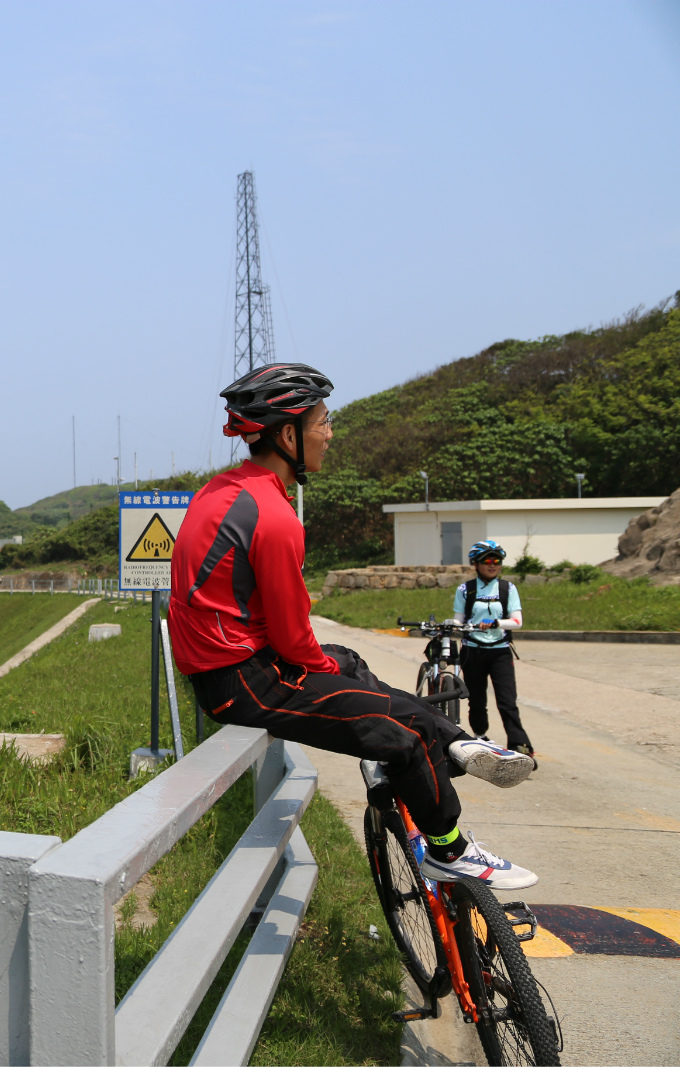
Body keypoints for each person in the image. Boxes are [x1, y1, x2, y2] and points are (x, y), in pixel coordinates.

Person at [168, 363, 539, 889]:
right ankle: (448, 848)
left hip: (234, 662)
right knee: (401, 730)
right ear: (288, 434)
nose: (330, 433)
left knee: (351, 661)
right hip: (241, 680)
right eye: (324, 421)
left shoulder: (225, 489)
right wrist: (325, 673)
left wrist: (332, 669)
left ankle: (453, 741)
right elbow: (295, 639)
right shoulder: (274, 517)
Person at [454, 540, 533, 757]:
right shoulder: (465, 590)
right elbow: (458, 620)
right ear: (475, 564)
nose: (492, 565)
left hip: (500, 651)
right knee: (477, 701)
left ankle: (520, 746)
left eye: (496, 561)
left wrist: (496, 623)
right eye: (486, 561)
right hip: (473, 651)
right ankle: (480, 736)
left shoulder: (508, 588)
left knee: (507, 701)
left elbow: (517, 621)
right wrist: (456, 625)